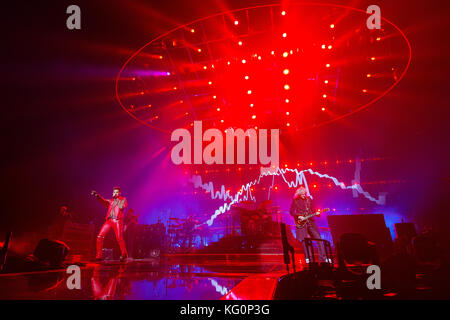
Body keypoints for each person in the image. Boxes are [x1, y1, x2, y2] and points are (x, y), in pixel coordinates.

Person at [289, 186, 328, 263]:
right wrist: (298, 216)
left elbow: (313, 210)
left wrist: (317, 213)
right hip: (302, 223)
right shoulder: (295, 201)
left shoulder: (309, 199)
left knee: (319, 239)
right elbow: (291, 211)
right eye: (302, 194)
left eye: (305, 194)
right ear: (299, 194)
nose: (304, 195)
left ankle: (323, 258)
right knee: (305, 241)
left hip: (310, 222)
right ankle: (308, 258)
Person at [91, 187, 128, 262]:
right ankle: (99, 256)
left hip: (117, 220)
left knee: (119, 238)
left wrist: (118, 199)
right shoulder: (110, 201)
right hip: (109, 220)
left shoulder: (123, 199)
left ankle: (124, 254)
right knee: (100, 236)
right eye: (114, 192)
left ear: (119, 193)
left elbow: (122, 207)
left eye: (117, 192)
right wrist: (97, 195)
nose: (115, 193)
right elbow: (103, 201)